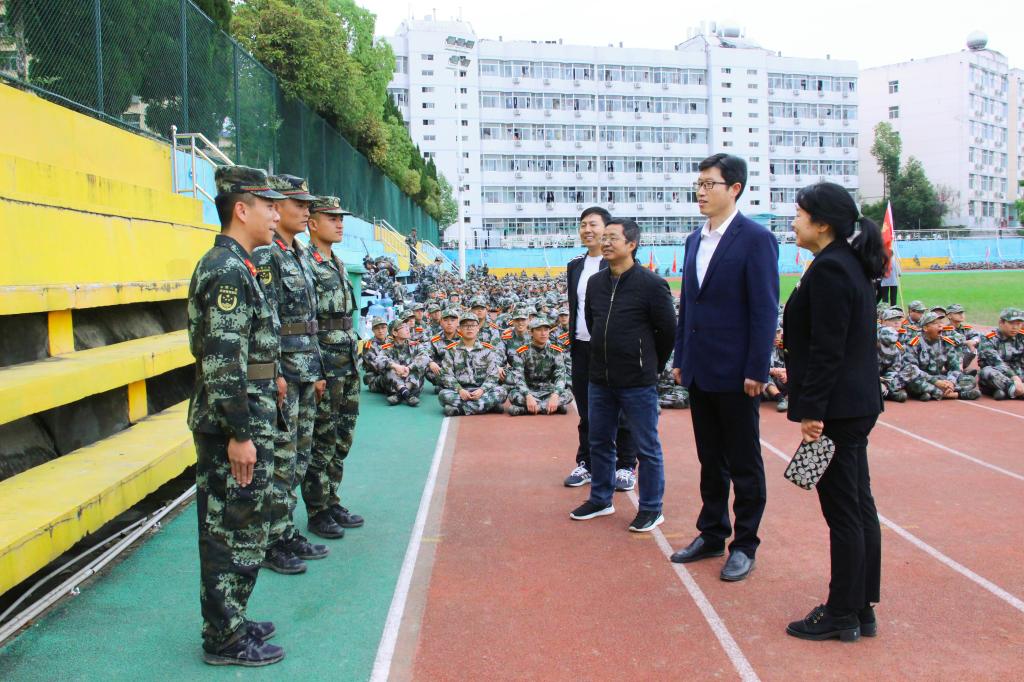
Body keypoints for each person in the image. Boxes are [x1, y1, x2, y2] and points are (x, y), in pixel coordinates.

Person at [779, 181, 888, 643]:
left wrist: (811, 411)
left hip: (837, 408)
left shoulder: (831, 269)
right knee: (858, 506)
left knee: (844, 511)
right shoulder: (845, 263)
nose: (793, 223)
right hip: (853, 402)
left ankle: (842, 610)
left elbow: (828, 349)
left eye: (799, 214)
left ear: (822, 223)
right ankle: (860, 607)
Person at [187, 165, 286, 666]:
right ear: (241, 210)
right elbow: (223, 360)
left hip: (249, 413)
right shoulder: (227, 270)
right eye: (268, 206)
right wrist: (240, 433)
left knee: (245, 520)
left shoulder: (239, 264)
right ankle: (223, 637)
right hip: (235, 423)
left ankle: (232, 618)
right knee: (231, 526)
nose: (276, 215)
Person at [669, 154, 779, 582]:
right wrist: (682, 358)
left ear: (734, 188)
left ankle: (745, 544)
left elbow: (764, 309)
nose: (700, 192)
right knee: (710, 458)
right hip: (700, 369)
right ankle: (712, 532)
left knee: (744, 462)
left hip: (737, 373)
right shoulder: (694, 240)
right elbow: (688, 306)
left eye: (708, 184)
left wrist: (758, 367)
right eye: (698, 184)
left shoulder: (755, 239)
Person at [569, 218, 676, 533]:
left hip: (637, 381)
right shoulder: (596, 283)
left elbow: (668, 332)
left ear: (631, 244)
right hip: (600, 378)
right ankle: (601, 499)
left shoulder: (651, 284)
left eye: (612, 237)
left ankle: (652, 508)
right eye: (604, 237)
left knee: (646, 447)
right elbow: (592, 323)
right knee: (600, 440)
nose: (605, 242)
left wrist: (648, 364)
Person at [252, 174, 328, 574]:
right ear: (277, 207)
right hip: (285, 373)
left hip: (306, 369)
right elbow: (267, 320)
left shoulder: (298, 253)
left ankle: (285, 529)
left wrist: (317, 369)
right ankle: (271, 540)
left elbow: (309, 321)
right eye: (299, 205)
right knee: (281, 458)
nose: (306, 211)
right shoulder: (268, 256)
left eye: (307, 205)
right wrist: (277, 372)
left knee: (299, 457)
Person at [564, 207, 639, 492]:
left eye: (593, 224)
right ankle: (587, 462)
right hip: (582, 347)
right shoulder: (575, 266)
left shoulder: (620, 264)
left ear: (607, 230)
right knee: (586, 409)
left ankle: (625, 465)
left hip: (614, 350)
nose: (587, 230)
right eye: (583, 224)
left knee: (621, 411)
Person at [302, 196, 363, 540]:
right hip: (325, 363)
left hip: (346, 362)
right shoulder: (307, 265)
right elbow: (306, 323)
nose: (340, 224)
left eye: (341, 218)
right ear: (312, 223)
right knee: (322, 439)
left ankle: (331, 498)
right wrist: (315, 371)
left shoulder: (337, 262)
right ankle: (317, 510)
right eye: (332, 218)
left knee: (342, 437)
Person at [437, 313, 508, 416]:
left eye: (472, 325)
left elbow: (493, 375)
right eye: (465, 325)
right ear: (459, 329)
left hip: (482, 390)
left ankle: (461, 410)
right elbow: (446, 374)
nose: (469, 328)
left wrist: (482, 390)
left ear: (478, 328)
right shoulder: (452, 350)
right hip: (461, 391)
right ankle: (488, 406)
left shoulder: (487, 349)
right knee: (443, 395)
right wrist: (460, 390)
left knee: (502, 392)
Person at [904, 311, 981, 401]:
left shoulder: (946, 343)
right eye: (935, 323)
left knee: (970, 380)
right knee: (912, 382)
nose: (940, 325)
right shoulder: (914, 344)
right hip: (924, 378)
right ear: (925, 328)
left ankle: (933, 393)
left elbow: (955, 368)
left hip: (940, 378)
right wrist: (935, 382)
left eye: (941, 322)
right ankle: (956, 394)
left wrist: (951, 382)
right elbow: (912, 369)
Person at [506, 317, 572, 416]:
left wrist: (555, 395)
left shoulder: (555, 351)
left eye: (546, 330)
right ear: (530, 333)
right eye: (539, 330)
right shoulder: (522, 352)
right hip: (528, 390)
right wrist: (528, 396)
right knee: (513, 395)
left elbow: (560, 376)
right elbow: (518, 377)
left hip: (548, 390)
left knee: (568, 394)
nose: (543, 333)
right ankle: (552, 407)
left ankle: (526, 410)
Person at [976, 307, 1024, 400]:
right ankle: (1014, 390)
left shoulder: (1021, 337)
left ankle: (1009, 392)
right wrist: (1014, 377)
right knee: (986, 372)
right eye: (1011, 323)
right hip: (999, 376)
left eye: (1018, 324)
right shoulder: (989, 338)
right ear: (1001, 322)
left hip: (1019, 374)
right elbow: (996, 362)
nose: (1015, 327)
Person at [381, 317, 430, 406]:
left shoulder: (415, 345)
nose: (407, 329)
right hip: (394, 384)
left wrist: (409, 368)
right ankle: (407, 395)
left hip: (413, 383)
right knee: (389, 369)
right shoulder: (387, 347)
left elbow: (425, 357)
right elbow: (378, 360)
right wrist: (395, 366)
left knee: (419, 368)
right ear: (395, 333)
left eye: (407, 326)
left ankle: (400, 394)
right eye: (403, 327)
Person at [361, 317, 390, 393]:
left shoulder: (391, 341)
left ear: (387, 328)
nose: (380, 331)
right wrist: (394, 367)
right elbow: (375, 366)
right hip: (375, 378)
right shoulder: (368, 345)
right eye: (377, 328)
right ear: (373, 330)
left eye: (383, 327)